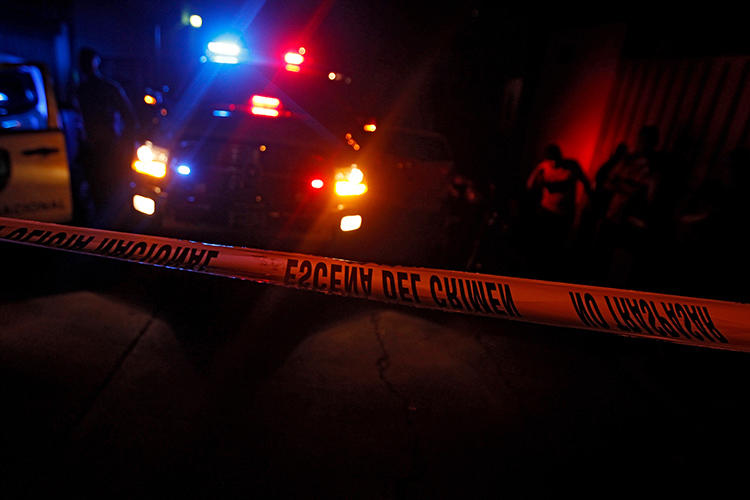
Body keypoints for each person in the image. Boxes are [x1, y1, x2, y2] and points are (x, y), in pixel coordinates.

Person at [75, 47, 138, 226]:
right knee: (99, 192)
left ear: (96, 63)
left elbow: (130, 119)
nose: (85, 66)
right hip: (94, 150)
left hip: (109, 149)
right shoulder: (82, 90)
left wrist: (125, 147)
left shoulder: (106, 89)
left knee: (110, 192)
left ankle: (113, 230)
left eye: (88, 62)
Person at [525, 143, 591, 278]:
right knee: (541, 245)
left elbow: (585, 181)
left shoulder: (572, 166)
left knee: (557, 248)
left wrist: (592, 200)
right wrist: (539, 180)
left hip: (563, 215)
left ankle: (549, 276)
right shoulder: (543, 166)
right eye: (550, 160)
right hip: (546, 211)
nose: (554, 163)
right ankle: (534, 274)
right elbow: (530, 185)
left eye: (556, 159)